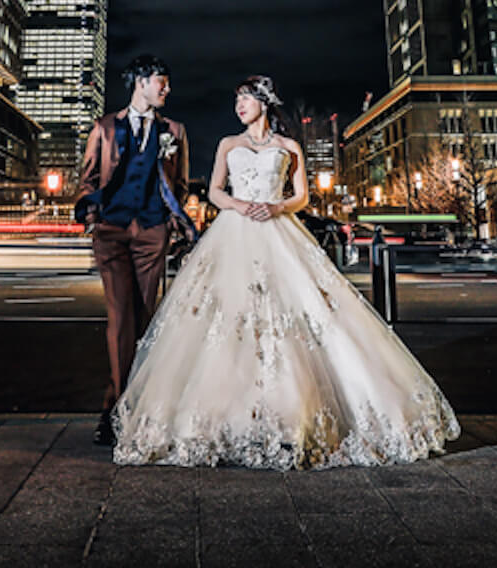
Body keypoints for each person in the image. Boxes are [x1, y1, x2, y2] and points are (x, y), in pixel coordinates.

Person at [112, 75, 459, 470]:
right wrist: (240, 206)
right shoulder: (229, 144)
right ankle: (226, 413)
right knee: (226, 316)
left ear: (263, 102)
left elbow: (301, 196)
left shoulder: (288, 146)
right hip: (235, 231)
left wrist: (276, 208)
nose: (239, 106)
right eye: (236, 100)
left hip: (279, 229)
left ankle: (292, 413)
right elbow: (214, 192)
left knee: (304, 312)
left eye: (245, 99)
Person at [74, 54, 192, 447]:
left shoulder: (174, 130)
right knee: (121, 319)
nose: (167, 89)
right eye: (162, 81)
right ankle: (114, 409)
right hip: (111, 231)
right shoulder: (105, 127)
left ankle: (135, 405)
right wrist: (91, 214)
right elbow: (88, 178)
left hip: (152, 233)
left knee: (145, 319)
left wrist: (170, 219)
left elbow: (182, 184)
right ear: (141, 82)